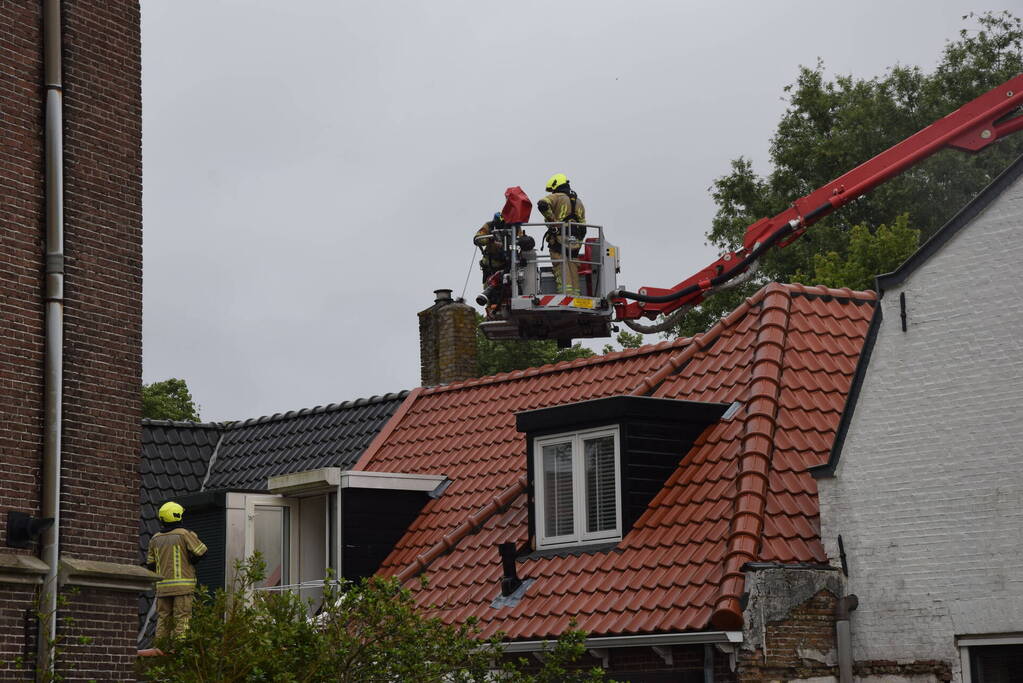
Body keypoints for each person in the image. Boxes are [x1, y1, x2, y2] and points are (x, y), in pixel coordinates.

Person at [146, 501, 207, 641]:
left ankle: (161, 649)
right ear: (178, 515)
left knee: (163, 619)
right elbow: (202, 553)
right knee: (182, 618)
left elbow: (150, 564)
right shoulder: (184, 534)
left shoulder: (155, 539)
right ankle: (180, 650)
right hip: (183, 588)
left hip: (162, 588)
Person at [537, 173, 585, 295]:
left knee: (560, 266)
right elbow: (583, 226)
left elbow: (542, 204)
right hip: (575, 243)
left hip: (558, 240)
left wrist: (552, 222)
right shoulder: (578, 201)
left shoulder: (557, 197)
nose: (552, 192)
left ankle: (565, 294)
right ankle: (575, 296)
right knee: (573, 267)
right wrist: (578, 240)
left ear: (556, 185)